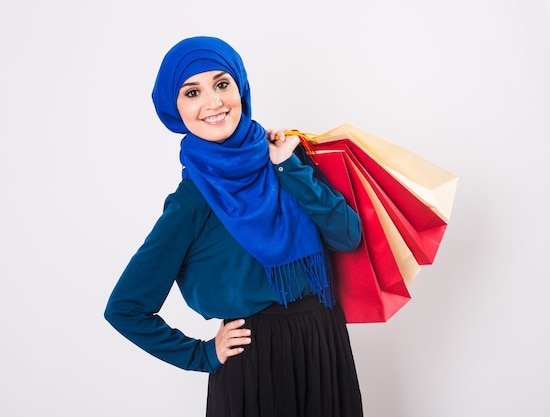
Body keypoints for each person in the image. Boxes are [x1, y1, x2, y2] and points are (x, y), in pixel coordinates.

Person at [104, 36, 364, 417]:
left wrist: (288, 168)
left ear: (240, 88)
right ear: (174, 109)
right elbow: (125, 308)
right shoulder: (190, 203)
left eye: (221, 84)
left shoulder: (287, 158)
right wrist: (203, 354)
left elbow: (347, 236)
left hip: (323, 344)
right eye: (192, 92)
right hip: (256, 365)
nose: (213, 102)